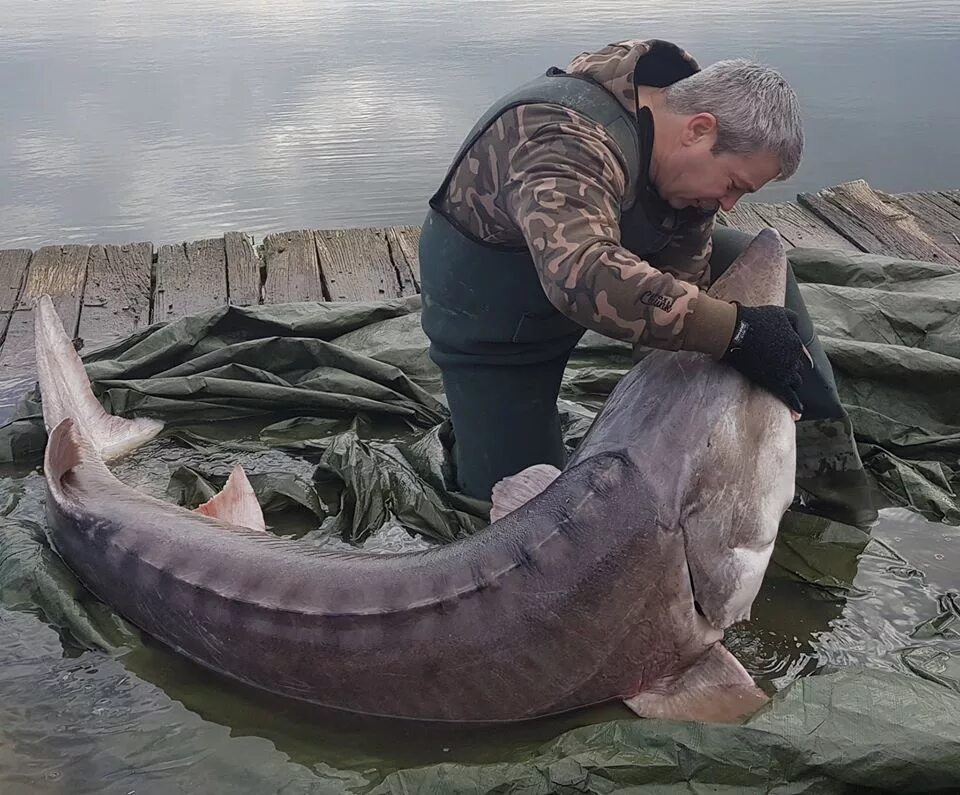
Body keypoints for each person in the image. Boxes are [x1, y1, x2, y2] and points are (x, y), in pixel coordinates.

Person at [418, 38, 877, 527]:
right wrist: (738, 333)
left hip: (605, 282)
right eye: (734, 184)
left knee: (744, 258)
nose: (729, 203)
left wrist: (735, 364)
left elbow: (688, 276)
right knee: (528, 514)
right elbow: (582, 272)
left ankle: (830, 484)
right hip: (497, 326)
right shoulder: (560, 134)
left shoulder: (679, 157)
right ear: (700, 130)